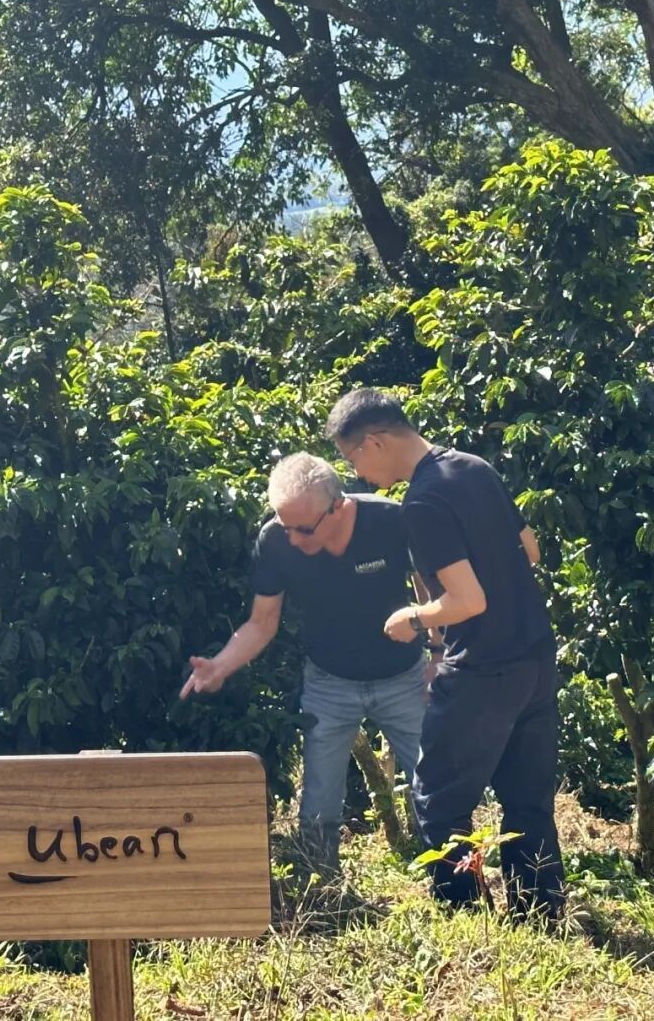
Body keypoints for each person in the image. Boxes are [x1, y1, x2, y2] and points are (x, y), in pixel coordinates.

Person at [326, 389, 564, 922]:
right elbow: (530, 551)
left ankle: (466, 919)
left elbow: (467, 600)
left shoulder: (424, 501)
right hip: (533, 656)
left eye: (352, 458)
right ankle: (539, 915)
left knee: (438, 800)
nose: (357, 474)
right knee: (528, 800)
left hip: (482, 667)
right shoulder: (474, 467)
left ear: (374, 443)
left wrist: (413, 618)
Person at [180, 451, 431, 868]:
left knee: (436, 788)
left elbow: (430, 587)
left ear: (338, 506)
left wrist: (439, 655)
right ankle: (321, 889)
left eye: (303, 529)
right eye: (285, 526)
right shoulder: (276, 541)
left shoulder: (390, 520)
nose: (293, 539)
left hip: (404, 676)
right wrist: (219, 666)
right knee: (318, 804)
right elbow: (262, 622)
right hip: (328, 682)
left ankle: (455, 885)